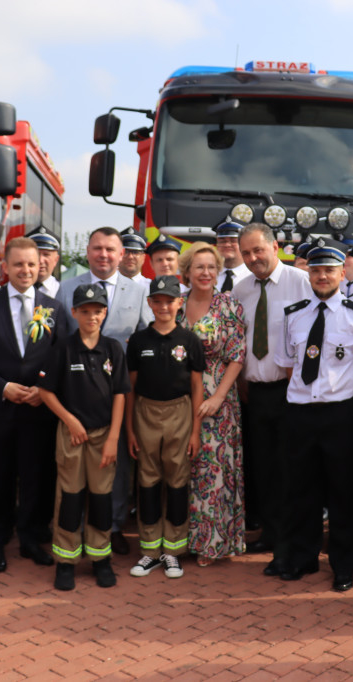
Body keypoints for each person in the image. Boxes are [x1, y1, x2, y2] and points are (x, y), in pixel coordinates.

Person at [273, 237, 353, 591]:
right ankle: (301, 559)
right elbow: (289, 365)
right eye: (316, 269)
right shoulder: (292, 315)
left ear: (341, 272)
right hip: (300, 415)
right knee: (299, 491)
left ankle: (343, 566)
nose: (321, 275)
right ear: (310, 274)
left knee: (343, 493)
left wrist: (348, 402)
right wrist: (308, 395)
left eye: (328, 270)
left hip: (341, 417)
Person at [0, 237, 66, 572]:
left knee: (36, 475)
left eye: (31, 264)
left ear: (41, 266)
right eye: (19, 264)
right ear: (5, 267)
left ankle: (31, 538)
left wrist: (43, 389)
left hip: (38, 410)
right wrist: (2, 387)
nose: (26, 270)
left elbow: (61, 356)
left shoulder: (53, 307)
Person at [57, 227, 153, 555]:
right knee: (75, 466)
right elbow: (57, 342)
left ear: (122, 254)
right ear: (87, 251)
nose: (104, 255)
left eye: (111, 249)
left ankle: (111, 526)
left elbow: (145, 339)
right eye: (97, 248)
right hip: (75, 396)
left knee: (117, 464)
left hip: (119, 395)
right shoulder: (67, 288)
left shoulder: (139, 292)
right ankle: (76, 527)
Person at [37, 283, 130, 591]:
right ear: (74, 312)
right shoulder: (63, 347)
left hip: (104, 434)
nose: (92, 317)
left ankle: (100, 558)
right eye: (85, 311)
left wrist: (114, 436)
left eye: (98, 311)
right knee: (70, 497)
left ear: (105, 313)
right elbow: (46, 391)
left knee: (102, 498)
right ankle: (66, 561)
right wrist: (70, 421)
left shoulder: (113, 348)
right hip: (72, 436)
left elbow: (120, 394)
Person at [231, 224, 313, 565]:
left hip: (292, 392)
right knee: (262, 467)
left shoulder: (301, 283)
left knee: (291, 467)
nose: (252, 259)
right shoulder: (240, 291)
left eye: (258, 250)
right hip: (255, 393)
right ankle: (270, 532)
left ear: (275, 246)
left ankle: (292, 538)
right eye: (246, 253)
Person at [125, 275, 205, 578]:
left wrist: (195, 429)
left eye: (169, 301)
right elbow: (130, 387)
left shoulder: (189, 340)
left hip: (180, 411)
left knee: (177, 477)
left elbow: (197, 385)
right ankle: (149, 550)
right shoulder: (139, 340)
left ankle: (172, 549)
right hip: (146, 411)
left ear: (179, 302)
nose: (163, 306)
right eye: (157, 301)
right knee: (147, 479)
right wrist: (131, 429)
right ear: (149, 303)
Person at [178, 243, 247, 566]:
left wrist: (218, 396)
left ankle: (213, 542)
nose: (205, 273)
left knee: (213, 471)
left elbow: (237, 356)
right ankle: (181, 538)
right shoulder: (176, 305)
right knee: (184, 469)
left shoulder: (228, 305)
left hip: (217, 399)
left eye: (211, 267)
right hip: (178, 399)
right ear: (187, 272)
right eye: (199, 267)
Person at [214, 222, 250, 293]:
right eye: (222, 241)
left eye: (233, 240)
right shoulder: (208, 276)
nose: (227, 245)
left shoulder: (254, 276)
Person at [27, 226, 62, 298]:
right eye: (36, 254)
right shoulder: (14, 289)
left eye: (46, 255)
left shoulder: (63, 291)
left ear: (56, 260)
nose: (40, 260)